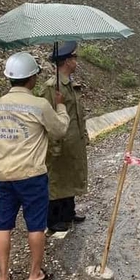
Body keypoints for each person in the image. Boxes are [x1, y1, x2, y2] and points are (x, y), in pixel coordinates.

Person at [0, 52, 69, 280]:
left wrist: (0, 166)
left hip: (4, 177)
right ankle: (34, 274)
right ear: (32, 78)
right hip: (32, 176)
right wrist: (61, 107)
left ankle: (2, 279)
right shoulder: (39, 105)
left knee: (3, 225)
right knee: (35, 225)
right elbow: (59, 130)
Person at [43, 41, 90, 232]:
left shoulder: (70, 84)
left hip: (73, 141)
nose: (76, 61)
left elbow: (78, 113)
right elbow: (47, 116)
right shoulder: (52, 87)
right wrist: (53, 145)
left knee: (70, 176)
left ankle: (69, 213)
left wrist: (83, 134)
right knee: (57, 180)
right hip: (60, 142)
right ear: (66, 61)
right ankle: (54, 220)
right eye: (74, 57)